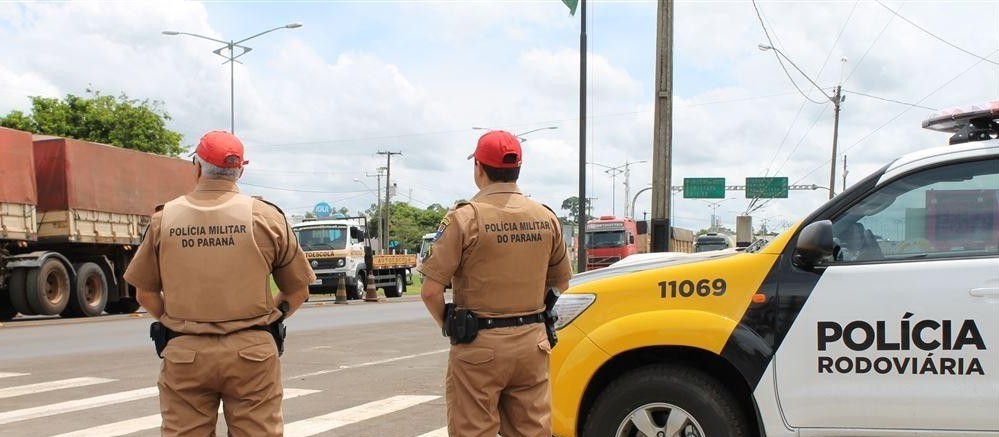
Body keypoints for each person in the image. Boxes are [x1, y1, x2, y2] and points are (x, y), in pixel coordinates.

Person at [124, 130, 315, 436]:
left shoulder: (165, 219)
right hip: (252, 352)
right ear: (240, 170)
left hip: (185, 353)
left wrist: (180, 324)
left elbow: (145, 293)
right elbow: (297, 291)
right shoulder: (267, 217)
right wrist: (268, 322)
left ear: (197, 167)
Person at [419, 130, 572, 437]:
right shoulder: (546, 217)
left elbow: (431, 290)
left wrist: (450, 323)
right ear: (518, 168)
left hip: (479, 345)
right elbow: (561, 282)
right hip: (533, 343)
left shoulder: (464, 219)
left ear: (479, 168)